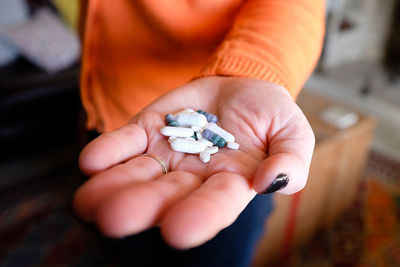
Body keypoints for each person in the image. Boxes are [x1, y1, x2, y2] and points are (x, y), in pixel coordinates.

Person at [73, 0, 326, 266]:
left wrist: (252, 69)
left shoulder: (214, 141)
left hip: (231, 149)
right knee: (126, 246)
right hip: (117, 123)